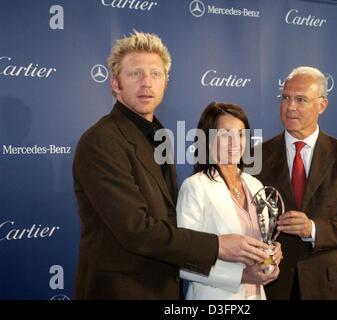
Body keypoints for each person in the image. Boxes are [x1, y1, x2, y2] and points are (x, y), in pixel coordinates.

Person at [72, 30, 269, 299]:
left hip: (161, 289)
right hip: (122, 292)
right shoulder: (101, 141)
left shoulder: (158, 136)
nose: (146, 83)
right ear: (115, 83)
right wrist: (217, 245)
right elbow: (136, 229)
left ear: (166, 82)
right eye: (135, 74)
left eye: (155, 74)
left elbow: (169, 222)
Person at [256, 66, 337, 299]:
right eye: (285, 97)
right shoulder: (256, 156)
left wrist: (313, 229)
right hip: (273, 285)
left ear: (322, 105)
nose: (290, 107)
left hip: (329, 286)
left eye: (300, 99)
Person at [177, 102, 282, 300]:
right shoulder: (195, 187)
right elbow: (184, 261)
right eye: (225, 135)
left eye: (240, 134)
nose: (235, 143)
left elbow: (263, 241)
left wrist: (273, 253)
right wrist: (241, 276)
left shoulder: (254, 184)